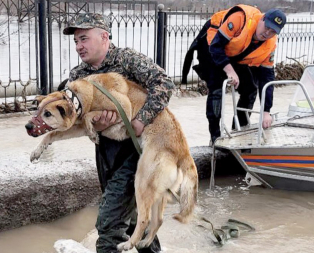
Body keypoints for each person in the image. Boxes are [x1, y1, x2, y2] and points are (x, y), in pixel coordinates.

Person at [63, 13, 175, 253]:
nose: (79, 46)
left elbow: (164, 83)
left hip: (138, 150)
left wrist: (141, 119)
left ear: (104, 37)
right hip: (106, 152)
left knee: (110, 223)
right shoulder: (76, 77)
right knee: (134, 216)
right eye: (75, 41)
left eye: (84, 38)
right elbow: (71, 119)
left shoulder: (127, 60)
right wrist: (94, 125)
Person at [182, 5, 286, 144]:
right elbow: (216, 46)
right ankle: (215, 137)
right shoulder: (239, 19)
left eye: (272, 31)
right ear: (262, 19)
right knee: (217, 87)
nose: (267, 33)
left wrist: (266, 111)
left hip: (234, 53)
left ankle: (240, 132)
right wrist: (229, 71)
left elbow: (266, 78)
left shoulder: (270, 46)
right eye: (266, 27)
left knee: (250, 89)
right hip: (212, 46)